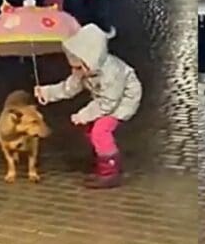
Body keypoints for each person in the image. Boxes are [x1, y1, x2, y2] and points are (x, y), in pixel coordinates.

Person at [33, 24, 142, 189]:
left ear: (90, 60)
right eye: (73, 66)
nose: (74, 70)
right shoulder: (84, 70)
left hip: (123, 101)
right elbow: (69, 88)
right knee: (92, 130)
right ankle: (103, 160)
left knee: (101, 130)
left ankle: (110, 172)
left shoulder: (111, 73)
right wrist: (47, 93)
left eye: (77, 67)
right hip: (105, 100)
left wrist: (84, 114)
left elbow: (107, 103)